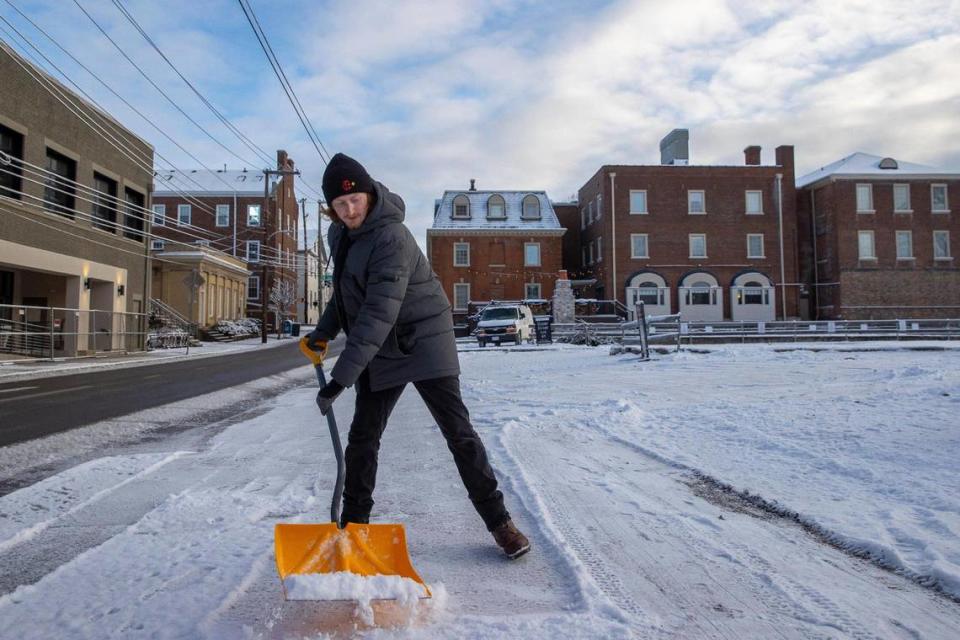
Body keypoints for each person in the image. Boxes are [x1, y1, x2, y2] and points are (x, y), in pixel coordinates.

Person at [302, 153, 530, 559]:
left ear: (370, 195)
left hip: (424, 340)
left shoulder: (392, 237)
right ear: (331, 210)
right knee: (363, 438)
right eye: (340, 205)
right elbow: (348, 296)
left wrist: (341, 378)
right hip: (382, 347)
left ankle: (501, 524)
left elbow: (378, 311)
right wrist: (322, 333)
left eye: (356, 200)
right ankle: (354, 530)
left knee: (459, 434)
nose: (351, 209)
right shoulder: (339, 237)